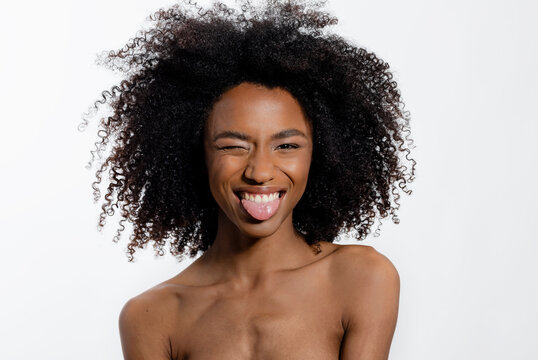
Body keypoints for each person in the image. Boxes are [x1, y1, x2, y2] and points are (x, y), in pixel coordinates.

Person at [81, 0, 416, 358]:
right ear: (196, 154)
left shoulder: (361, 279)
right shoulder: (152, 317)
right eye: (233, 147)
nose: (260, 172)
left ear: (321, 153)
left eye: (286, 145)